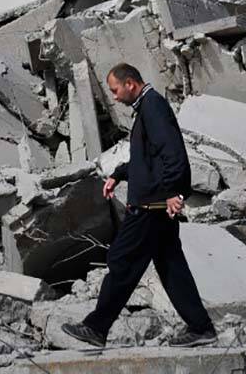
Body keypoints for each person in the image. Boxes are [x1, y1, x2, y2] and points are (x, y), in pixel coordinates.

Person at [62, 63, 216, 349]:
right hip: (155, 203)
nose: (115, 97)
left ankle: (96, 327)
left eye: (115, 90)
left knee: (122, 260)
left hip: (151, 205)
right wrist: (119, 174)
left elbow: (173, 152)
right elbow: (149, 160)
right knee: (171, 266)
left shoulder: (153, 107)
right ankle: (201, 327)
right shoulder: (147, 107)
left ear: (130, 83)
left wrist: (173, 192)